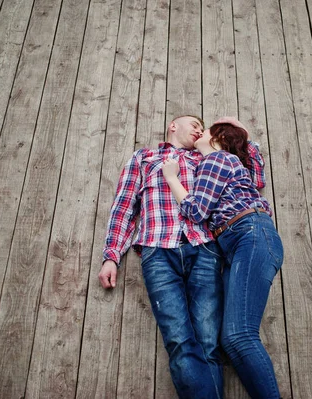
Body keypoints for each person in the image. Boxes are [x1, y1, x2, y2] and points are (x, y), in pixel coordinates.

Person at [97, 115, 265, 398]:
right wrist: (111, 255)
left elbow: (254, 179)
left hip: (205, 249)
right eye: (194, 123)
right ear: (173, 126)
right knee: (179, 341)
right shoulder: (145, 157)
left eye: (203, 127)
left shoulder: (207, 157)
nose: (199, 129)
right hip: (158, 250)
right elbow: (124, 206)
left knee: (209, 342)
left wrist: (243, 133)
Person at [162, 118, 283, 399]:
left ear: (217, 138)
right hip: (242, 242)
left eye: (205, 130)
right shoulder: (228, 163)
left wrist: (171, 178)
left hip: (249, 236)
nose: (199, 132)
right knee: (231, 339)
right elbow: (258, 178)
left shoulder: (216, 160)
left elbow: (195, 210)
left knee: (240, 336)